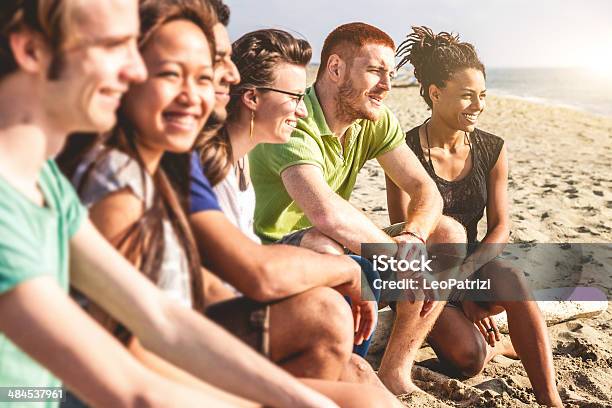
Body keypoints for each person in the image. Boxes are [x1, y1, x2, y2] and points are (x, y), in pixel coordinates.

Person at [0, 1, 353, 406]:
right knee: (333, 312)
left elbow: (161, 316)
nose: (133, 70)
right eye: (113, 47)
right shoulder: (112, 181)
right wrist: (369, 268)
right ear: (31, 51)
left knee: (433, 249)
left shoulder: (46, 185)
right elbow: (128, 382)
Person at [248, 21, 468, 395]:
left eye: (391, 74)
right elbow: (326, 213)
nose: (386, 85)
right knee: (327, 239)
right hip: (271, 252)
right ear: (335, 69)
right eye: (375, 71)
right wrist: (404, 261)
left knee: (447, 232)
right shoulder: (292, 119)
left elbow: (425, 190)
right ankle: (342, 369)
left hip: (333, 244)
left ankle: (396, 370)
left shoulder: (373, 119)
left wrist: (413, 235)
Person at [191, 25, 385, 383]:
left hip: (229, 311)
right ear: (251, 98)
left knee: (360, 371)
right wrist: (347, 271)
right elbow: (242, 274)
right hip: (194, 335)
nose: (303, 111)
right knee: (326, 311)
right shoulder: (205, 164)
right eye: (295, 97)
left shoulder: (239, 160)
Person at [387, 26, 563, 407]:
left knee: (512, 277)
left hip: (474, 268)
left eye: (482, 95)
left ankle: (551, 400)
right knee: (471, 359)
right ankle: (499, 347)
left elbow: (501, 226)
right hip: (424, 274)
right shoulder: (403, 152)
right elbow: (405, 234)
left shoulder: (492, 149)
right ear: (435, 93)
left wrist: (467, 284)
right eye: (466, 95)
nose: (478, 105)